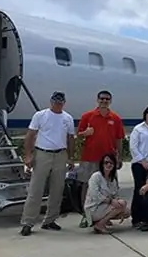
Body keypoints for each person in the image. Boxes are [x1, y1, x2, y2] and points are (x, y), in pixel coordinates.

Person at [19, 91, 75, 236]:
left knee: (57, 190)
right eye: (55, 101)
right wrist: (28, 155)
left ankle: (50, 220)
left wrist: (71, 157)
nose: (58, 104)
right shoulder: (40, 115)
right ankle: (28, 222)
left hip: (60, 154)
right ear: (51, 102)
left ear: (64, 103)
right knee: (35, 190)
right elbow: (30, 135)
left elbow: (70, 139)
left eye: (60, 102)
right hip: (42, 153)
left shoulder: (67, 118)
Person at [76, 90, 125, 228]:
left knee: (108, 188)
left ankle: (104, 214)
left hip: (108, 160)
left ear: (110, 101)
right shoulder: (88, 116)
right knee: (87, 186)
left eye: (107, 99)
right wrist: (85, 133)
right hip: (90, 157)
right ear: (97, 100)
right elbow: (78, 135)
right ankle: (86, 216)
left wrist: (119, 157)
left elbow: (119, 139)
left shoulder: (115, 118)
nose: (104, 101)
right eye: (102, 99)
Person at [83, 153, 130, 234]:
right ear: (102, 164)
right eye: (106, 162)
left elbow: (115, 195)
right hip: (93, 207)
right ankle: (100, 224)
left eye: (111, 163)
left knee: (126, 210)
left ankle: (105, 219)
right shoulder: (96, 176)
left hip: (104, 206)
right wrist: (111, 201)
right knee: (119, 206)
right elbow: (95, 195)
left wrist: (120, 201)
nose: (108, 164)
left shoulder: (113, 180)